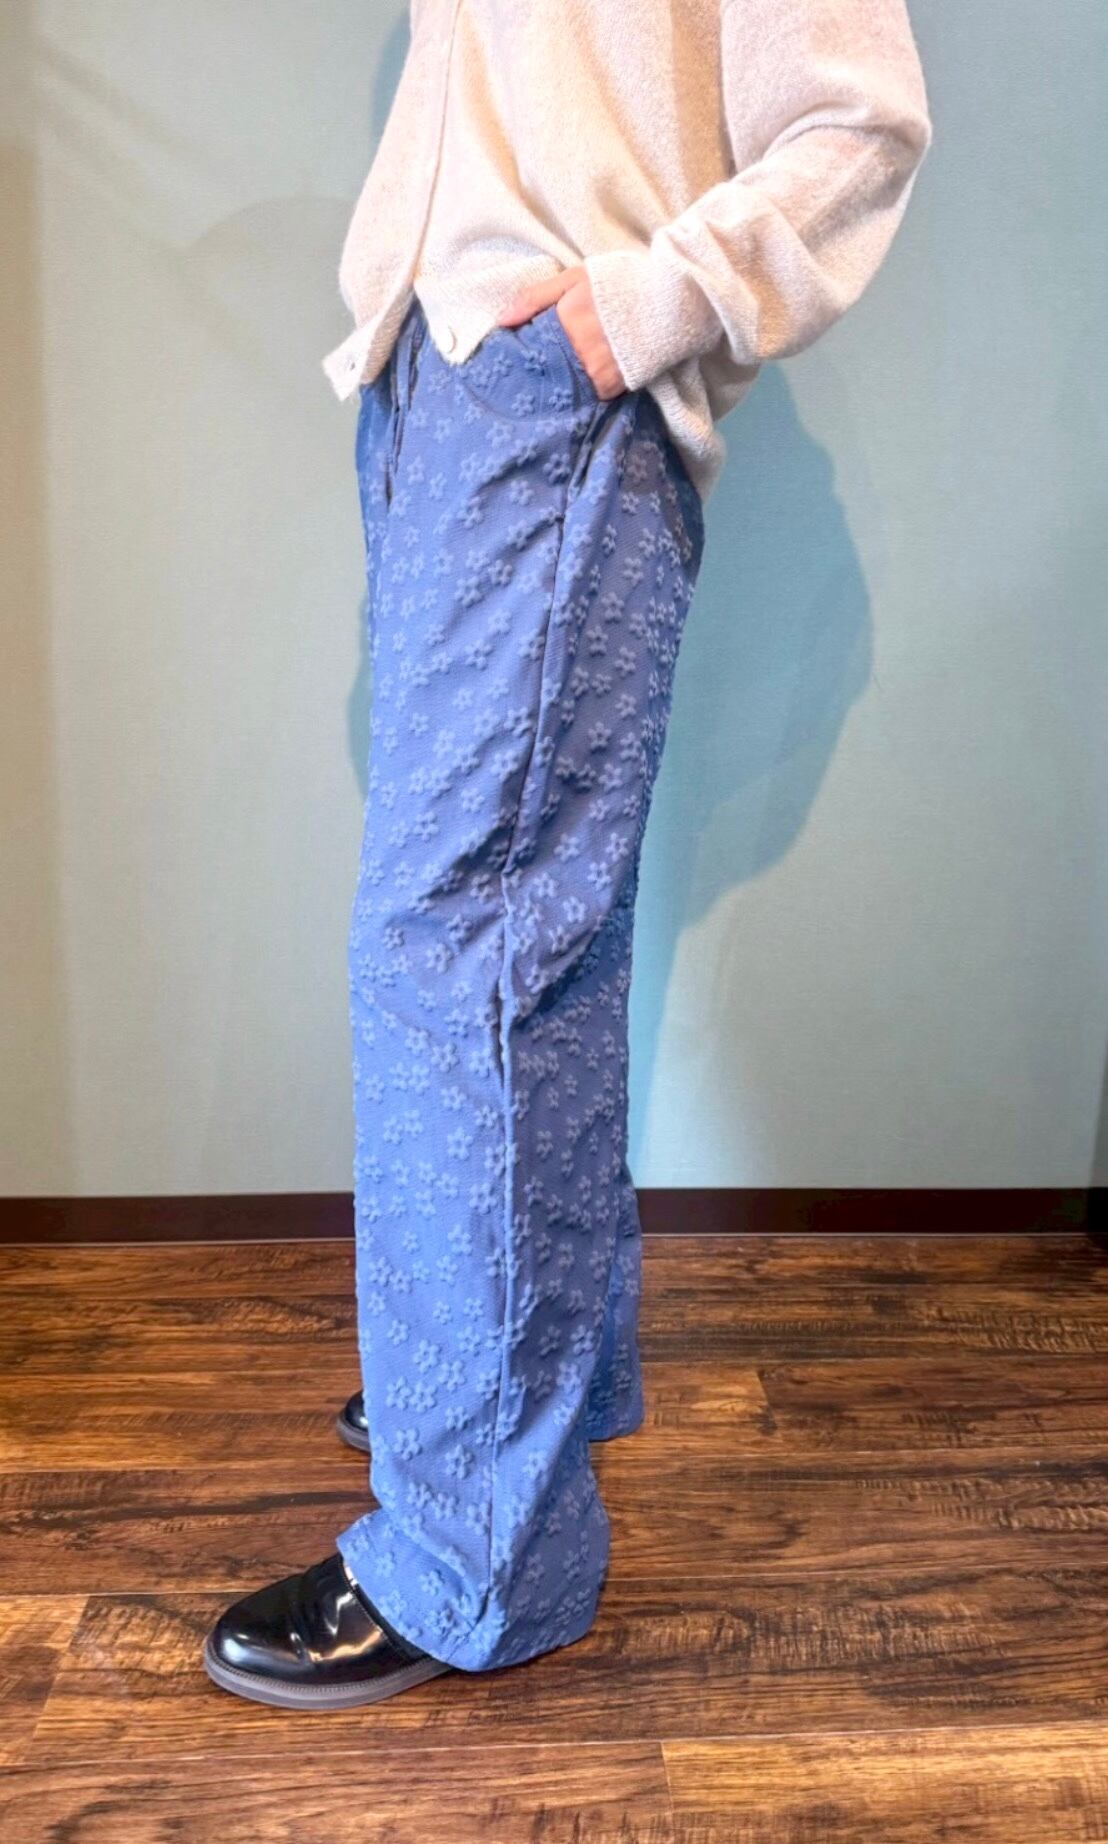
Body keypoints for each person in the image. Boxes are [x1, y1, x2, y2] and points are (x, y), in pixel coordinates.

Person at [203, 0, 932, 1709]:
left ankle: (479, 1547)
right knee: (535, 951)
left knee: (463, 953)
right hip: (448, 380)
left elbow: (860, 119)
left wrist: (627, 315)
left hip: (549, 384)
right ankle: (511, 1414)